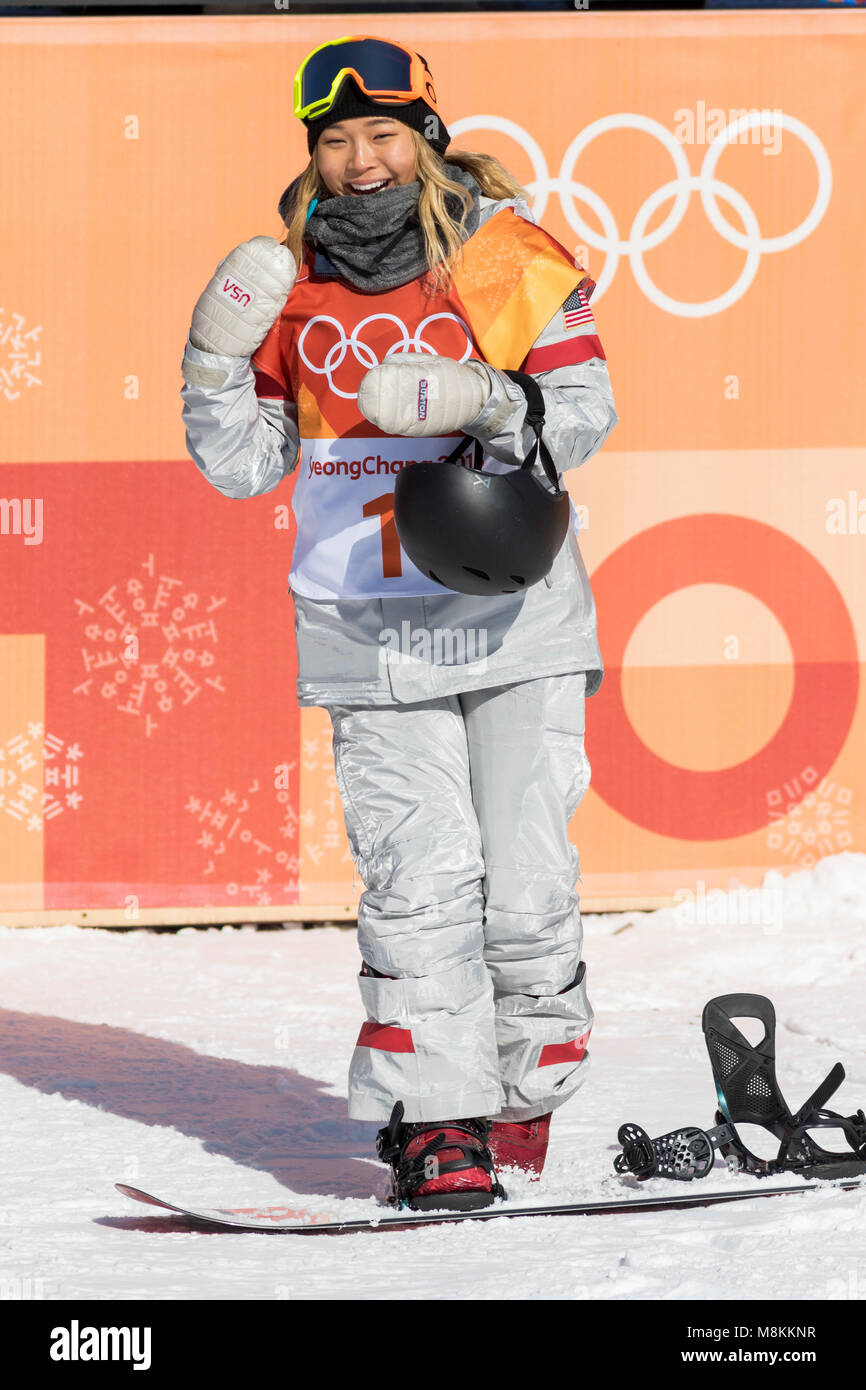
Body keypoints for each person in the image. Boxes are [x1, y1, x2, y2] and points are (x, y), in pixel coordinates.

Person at [181, 35, 618, 1212]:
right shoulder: (283, 279)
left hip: (512, 611)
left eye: (381, 135)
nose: (359, 161)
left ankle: (521, 1099)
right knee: (419, 877)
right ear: (311, 153)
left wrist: (487, 398)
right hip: (364, 618)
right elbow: (241, 466)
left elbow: (585, 409)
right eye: (334, 140)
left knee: (526, 880)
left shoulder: (497, 252)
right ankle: (439, 1124)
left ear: (424, 138)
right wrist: (214, 362)